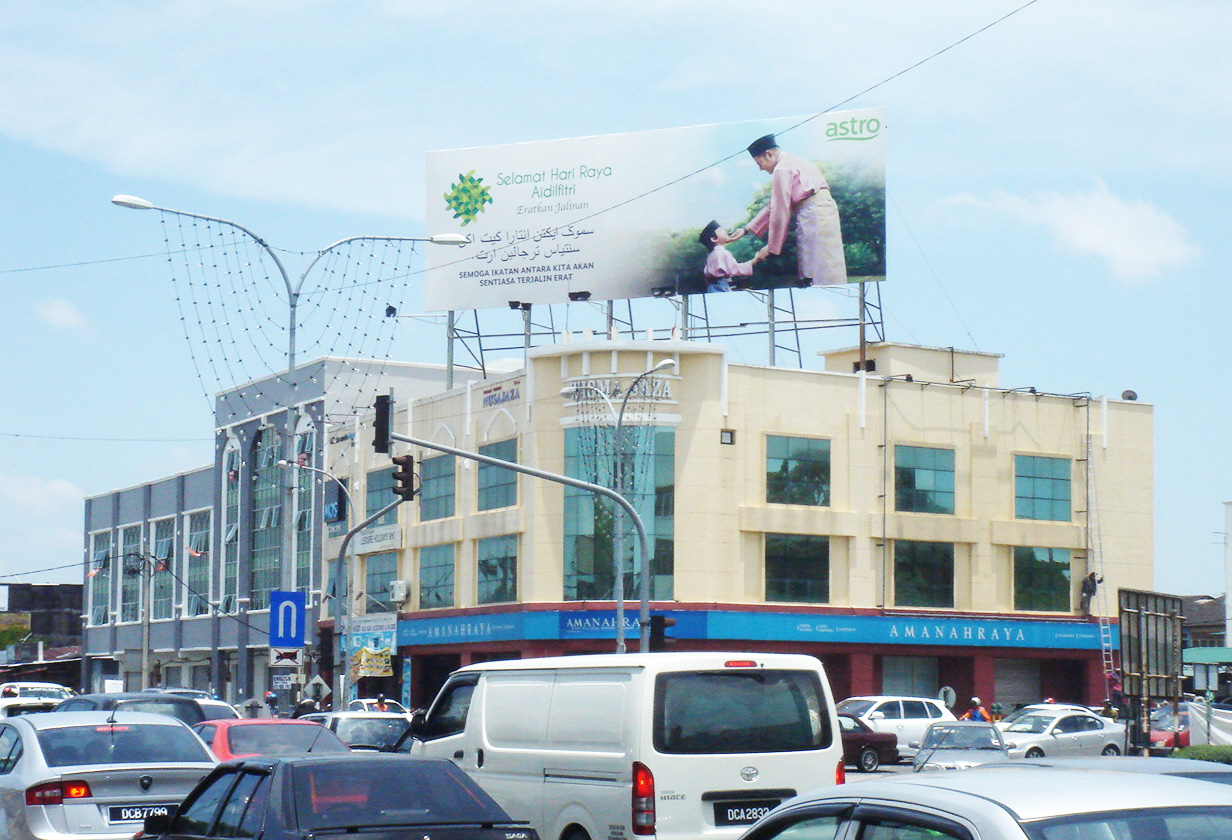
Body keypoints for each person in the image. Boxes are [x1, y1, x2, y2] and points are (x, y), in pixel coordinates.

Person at [744, 133, 847, 287]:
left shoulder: (782, 168)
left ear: (768, 154)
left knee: (816, 271)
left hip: (813, 216)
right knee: (831, 265)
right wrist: (747, 228)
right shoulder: (795, 161)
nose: (760, 169)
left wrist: (771, 248)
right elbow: (774, 204)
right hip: (825, 212)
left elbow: (780, 210)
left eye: (759, 163)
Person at [697, 220, 763, 292]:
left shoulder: (711, 255)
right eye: (721, 230)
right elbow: (735, 269)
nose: (725, 231)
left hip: (711, 287)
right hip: (721, 286)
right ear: (714, 239)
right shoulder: (722, 253)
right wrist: (754, 261)